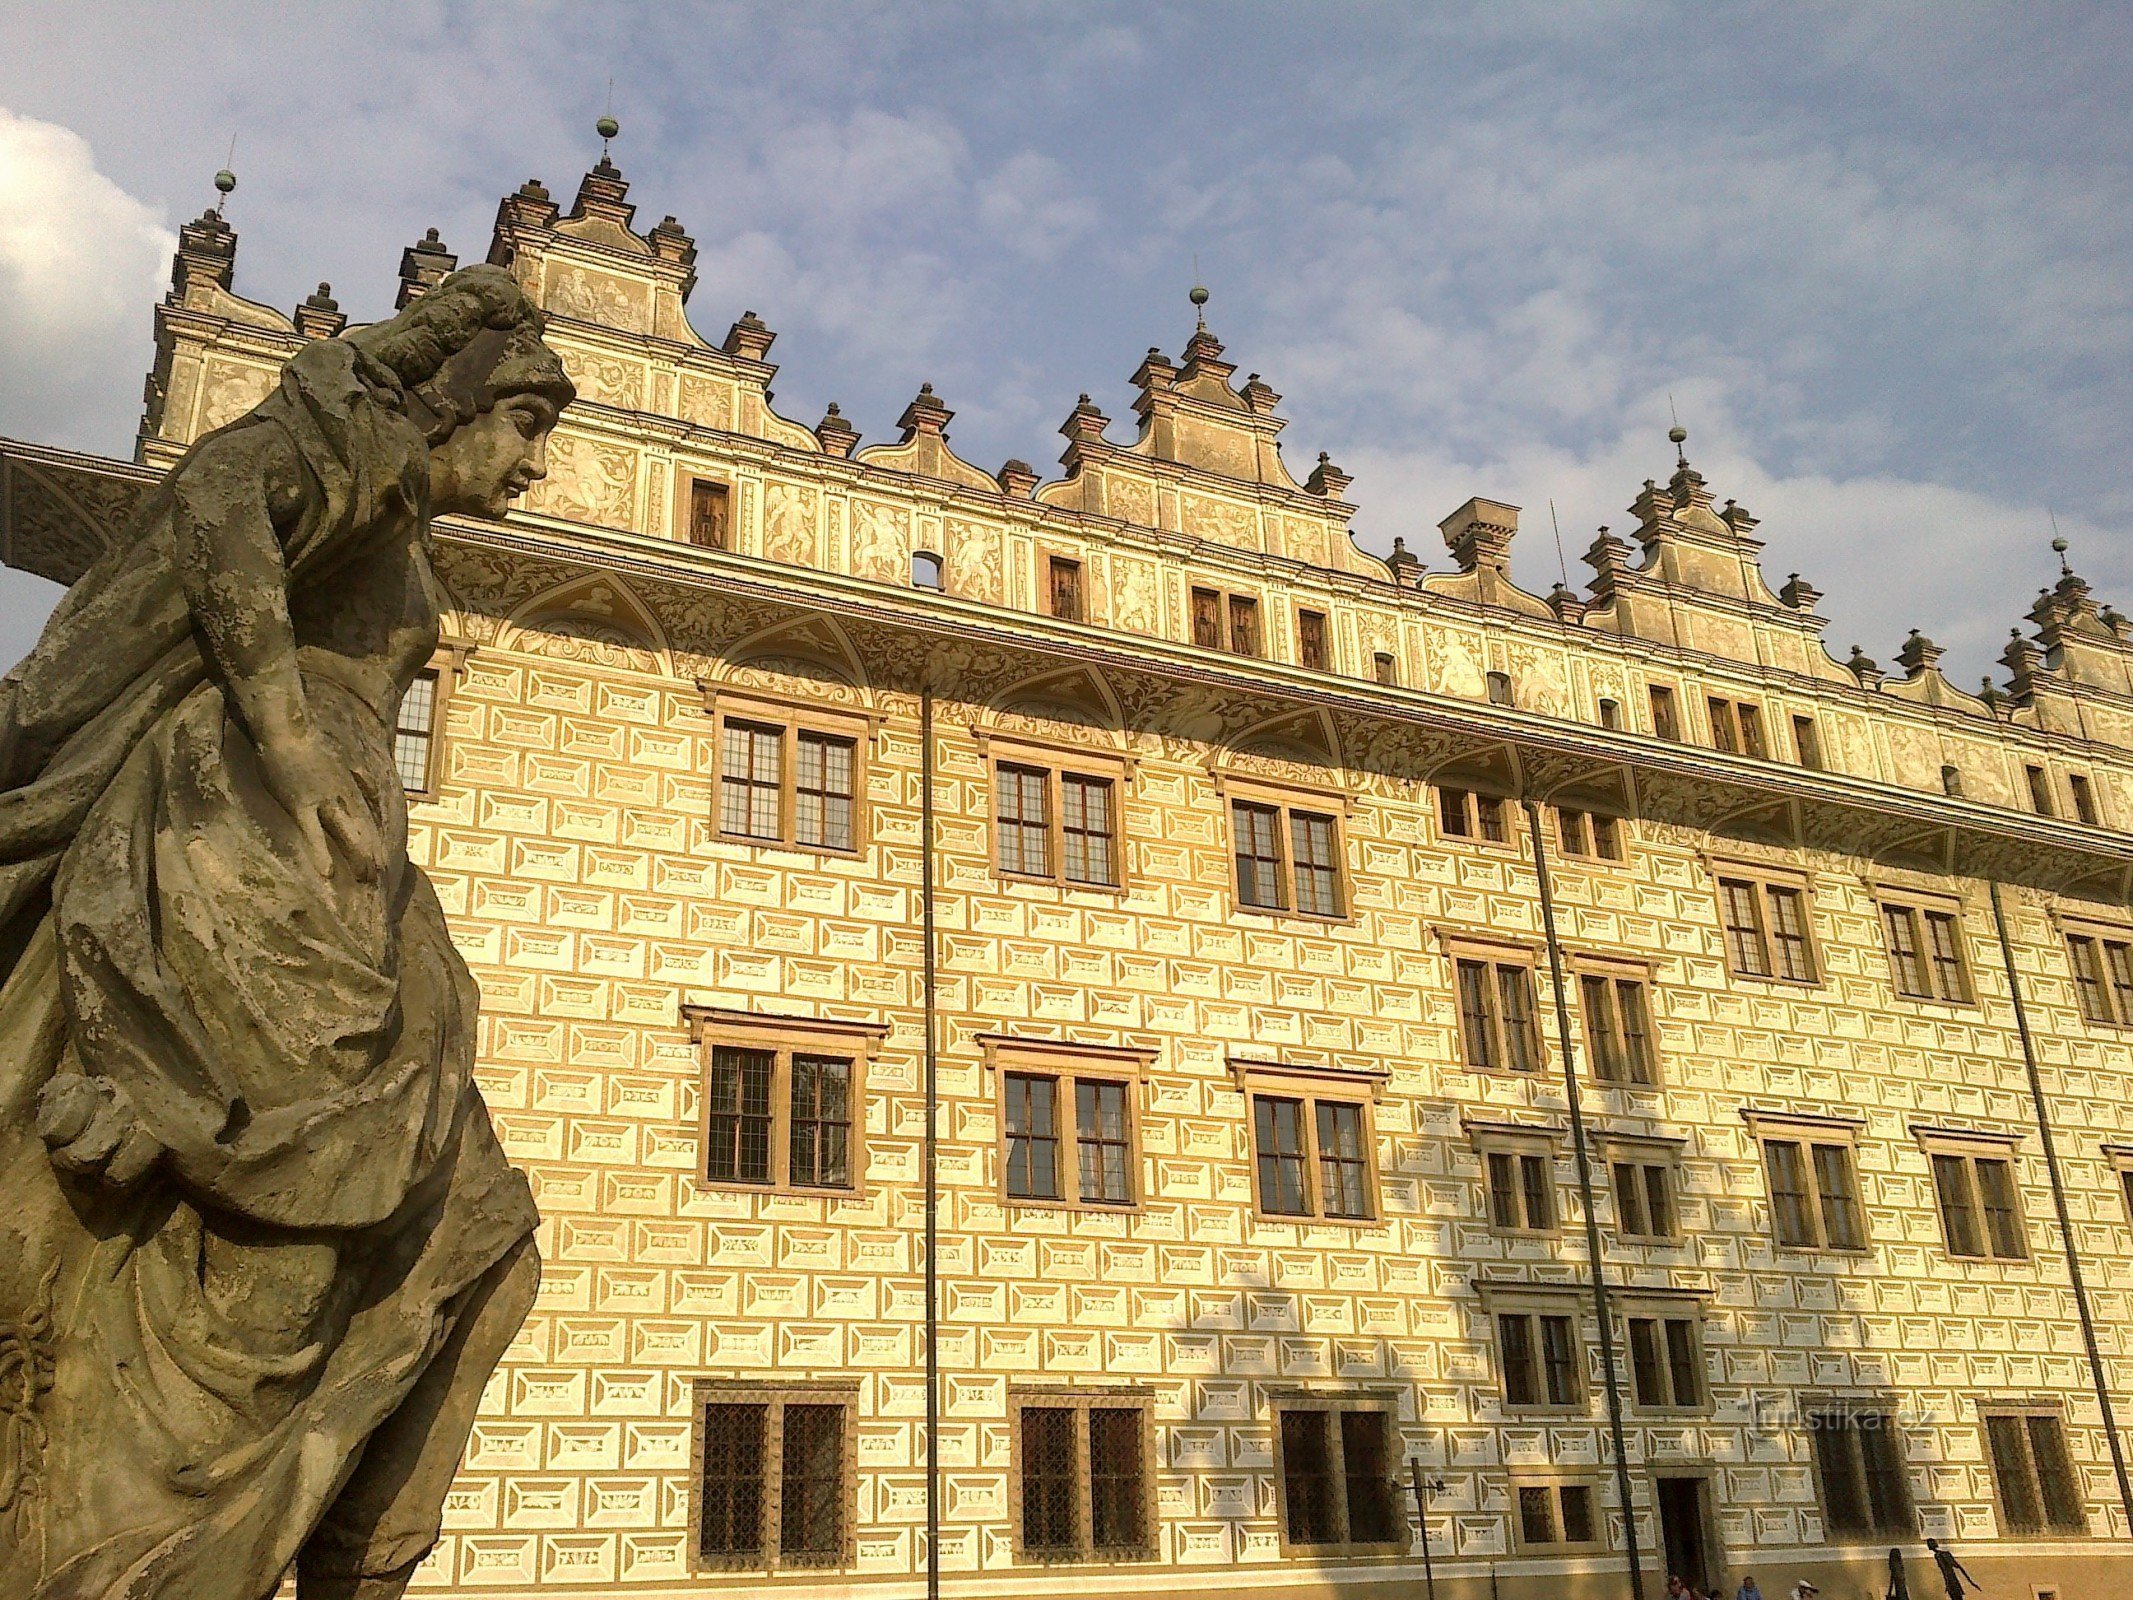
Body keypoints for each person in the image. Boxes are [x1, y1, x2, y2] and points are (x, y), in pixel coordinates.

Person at [0, 265, 573, 1600]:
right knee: (274, 1275)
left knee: (477, 1240)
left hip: (350, 887)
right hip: (253, 854)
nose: (540, 464)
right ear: (444, 412)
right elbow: (218, 493)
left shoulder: (392, 514)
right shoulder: (352, 473)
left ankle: (342, 1556)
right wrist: (281, 725)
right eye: (527, 425)